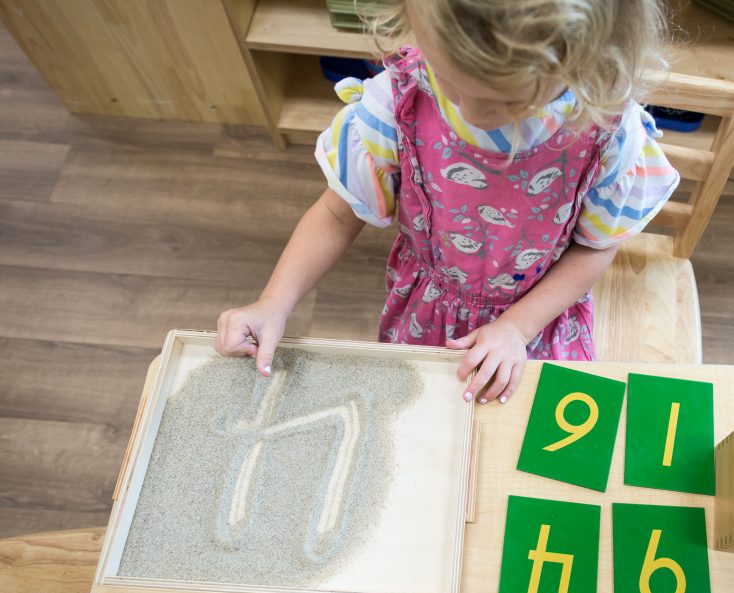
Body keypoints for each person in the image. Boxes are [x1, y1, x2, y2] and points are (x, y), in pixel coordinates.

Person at [215, 0, 680, 404]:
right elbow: (337, 214)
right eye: (450, 83)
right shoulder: (397, 103)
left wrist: (517, 328)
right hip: (427, 315)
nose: (471, 113)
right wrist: (273, 302)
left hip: (538, 320)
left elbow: (595, 247)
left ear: (582, 62)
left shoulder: (605, 130)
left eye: (506, 104)